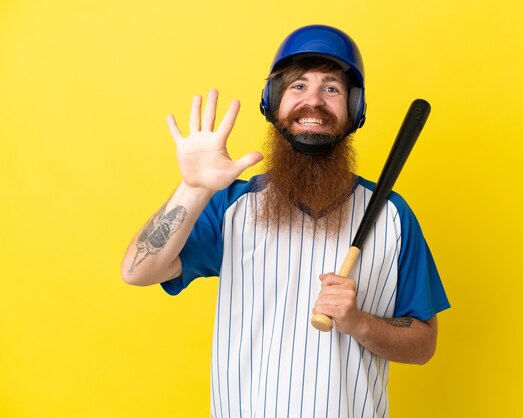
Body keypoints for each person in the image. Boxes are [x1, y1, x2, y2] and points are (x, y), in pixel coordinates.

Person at [122, 25, 450, 418]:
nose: (313, 101)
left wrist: (359, 322)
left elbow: (423, 344)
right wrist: (193, 189)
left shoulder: (393, 215)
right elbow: (137, 271)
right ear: (273, 102)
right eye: (297, 86)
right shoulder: (231, 205)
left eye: (331, 89)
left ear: (355, 108)